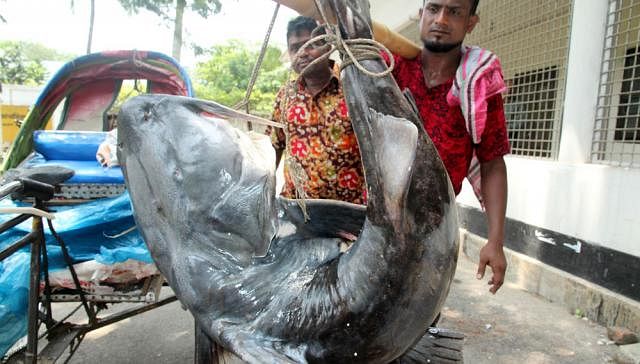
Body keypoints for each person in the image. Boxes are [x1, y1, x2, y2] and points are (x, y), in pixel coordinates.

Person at [388, 0, 509, 294]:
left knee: (417, 314)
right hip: (379, 216)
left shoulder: (478, 86)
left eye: (454, 12)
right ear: (421, 14)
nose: (441, 19)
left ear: (470, 23)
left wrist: (495, 241)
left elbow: (492, 163)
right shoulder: (389, 68)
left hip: (435, 227)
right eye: (434, 9)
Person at [267, 16, 365, 204]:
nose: (303, 53)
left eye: (310, 45)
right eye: (295, 48)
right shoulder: (285, 96)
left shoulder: (353, 88)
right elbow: (274, 147)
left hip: (348, 213)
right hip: (295, 209)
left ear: (327, 46)